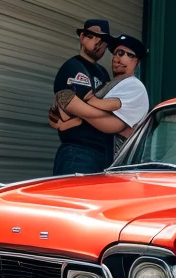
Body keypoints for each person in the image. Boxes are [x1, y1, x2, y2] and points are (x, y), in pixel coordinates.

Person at [52, 34, 149, 161]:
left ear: (135, 60)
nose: (116, 58)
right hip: (102, 157)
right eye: (115, 53)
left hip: (121, 161)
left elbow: (113, 117)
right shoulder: (111, 84)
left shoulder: (134, 85)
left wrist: (83, 102)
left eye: (121, 53)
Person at [52, 19, 112, 176]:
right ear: (82, 37)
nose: (98, 43)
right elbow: (82, 109)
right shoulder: (73, 67)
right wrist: (111, 114)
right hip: (78, 151)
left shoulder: (103, 73)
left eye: (103, 40)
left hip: (103, 153)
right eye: (92, 37)